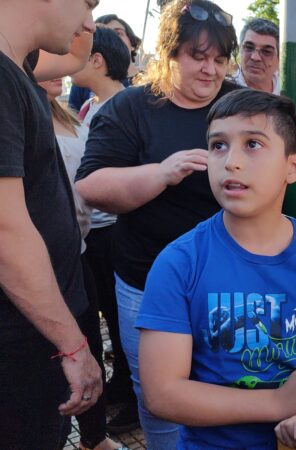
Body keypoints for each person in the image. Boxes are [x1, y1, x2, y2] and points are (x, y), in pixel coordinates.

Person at [136, 89, 296, 449]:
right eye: (218, 145)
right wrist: (277, 403)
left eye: (253, 144)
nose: (231, 161)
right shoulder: (179, 263)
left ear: (294, 167)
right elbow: (162, 393)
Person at [75, 1, 239, 447]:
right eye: (197, 57)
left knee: (228, 381)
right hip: (146, 281)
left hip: (228, 281)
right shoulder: (131, 108)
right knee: (157, 395)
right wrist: (162, 173)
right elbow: (91, 184)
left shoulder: (239, 106)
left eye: (220, 60)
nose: (210, 70)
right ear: (169, 53)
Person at [0, 1, 103, 449]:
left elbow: (76, 55)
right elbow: (5, 231)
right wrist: (73, 346)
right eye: (88, 2)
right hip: (18, 345)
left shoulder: (17, 66)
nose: (89, 23)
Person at [40, 77, 126, 450]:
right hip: (41, 260)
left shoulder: (69, 114)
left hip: (79, 250)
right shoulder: (21, 109)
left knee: (87, 341)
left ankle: (93, 437)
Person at [70, 26, 139, 432]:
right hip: (92, 232)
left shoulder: (124, 107)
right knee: (110, 318)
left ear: (97, 61)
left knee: (121, 316)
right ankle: (120, 383)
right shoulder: (91, 106)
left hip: (112, 230)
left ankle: (133, 395)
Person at [69, 14, 141, 112]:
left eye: (117, 33)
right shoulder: (87, 104)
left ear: (96, 60)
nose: (111, 38)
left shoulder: (131, 106)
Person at [233, 18, 280, 94]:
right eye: (249, 47)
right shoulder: (220, 92)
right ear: (239, 50)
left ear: (279, 59)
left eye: (266, 51)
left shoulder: (292, 92)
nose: (255, 57)